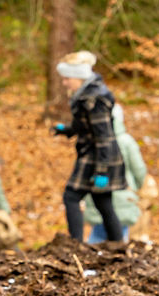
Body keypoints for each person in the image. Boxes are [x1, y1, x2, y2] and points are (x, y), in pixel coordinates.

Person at [52, 51, 126, 243]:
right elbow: (85, 126)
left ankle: (75, 244)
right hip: (93, 154)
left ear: (79, 77)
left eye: (67, 78)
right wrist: (67, 130)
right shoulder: (85, 96)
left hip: (97, 156)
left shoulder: (94, 100)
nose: (64, 83)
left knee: (71, 196)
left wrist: (102, 171)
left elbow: (104, 137)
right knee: (103, 203)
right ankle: (118, 243)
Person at [81, 104, 146, 243]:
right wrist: (135, 187)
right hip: (124, 195)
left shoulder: (92, 140)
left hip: (97, 195)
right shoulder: (127, 142)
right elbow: (139, 169)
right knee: (117, 237)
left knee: (100, 234)